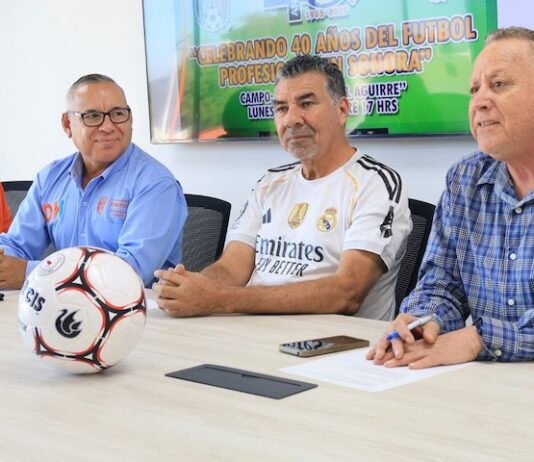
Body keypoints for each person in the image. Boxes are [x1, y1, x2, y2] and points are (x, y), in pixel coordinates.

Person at [154, 55, 411, 319]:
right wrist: (190, 288)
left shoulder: (376, 184)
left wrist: (219, 299)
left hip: (330, 340)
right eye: (281, 108)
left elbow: (346, 292)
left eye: (306, 104)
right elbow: (231, 269)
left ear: (342, 110)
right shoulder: (269, 183)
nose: (291, 120)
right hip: (252, 332)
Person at [367, 26, 534, 368]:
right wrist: (422, 322)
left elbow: (476, 340)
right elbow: (441, 283)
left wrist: (479, 339)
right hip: (483, 384)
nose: (480, 102)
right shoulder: (465, 180)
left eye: (498, 84)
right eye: (474, 89)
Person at [0, 74, 187, 289]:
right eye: (93, 116)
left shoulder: (155, 184)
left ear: (131, 119)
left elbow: (128, 273)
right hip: (61, 303)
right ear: (67, 124)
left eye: (118, 114)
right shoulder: (50, 178)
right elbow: (17, 245)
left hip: (137, 307)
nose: (108, 126)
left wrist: (30, 273)